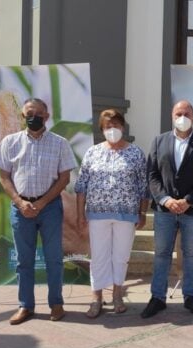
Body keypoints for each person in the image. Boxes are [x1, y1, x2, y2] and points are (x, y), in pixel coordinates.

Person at [0, 98, 77, 325]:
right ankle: (25, 306)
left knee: (54, 259)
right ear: (22, 115)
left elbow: (64, 178)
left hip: (49, 209)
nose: (34, 116)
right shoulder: (10, 142)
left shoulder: (60, 143)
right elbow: (4, 177)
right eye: (29, 112)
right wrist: (20, 202)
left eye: (39, 113)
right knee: (23, 261)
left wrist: (41, 203)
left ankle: (56, 304)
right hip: (21, 209)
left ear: (47, 117)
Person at [142, 100, 193, 319]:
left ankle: (190, 297)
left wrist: (189, 200)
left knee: (191, 254)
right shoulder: (159, 141)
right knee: (162, 253)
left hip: (192, 210)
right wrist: (165, 199)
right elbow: (152, 175)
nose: (182, 117)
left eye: (186, 113)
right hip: (164, 210)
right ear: (172, 116)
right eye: (178, 113)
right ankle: (157, 298)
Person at [74, 109, 149, 318]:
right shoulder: (92, 152)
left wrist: (142, 212)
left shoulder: (135, 153)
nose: (112, 130)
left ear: (123, 127)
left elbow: (144, 187)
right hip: (97, 214)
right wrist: (80, 215)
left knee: (121, 257)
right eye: (108, 127)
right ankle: (96, 297)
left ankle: (117, 294)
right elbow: (81, 186)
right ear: (102, 130)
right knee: (98, 257)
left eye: (116, 125)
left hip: (127, 215)